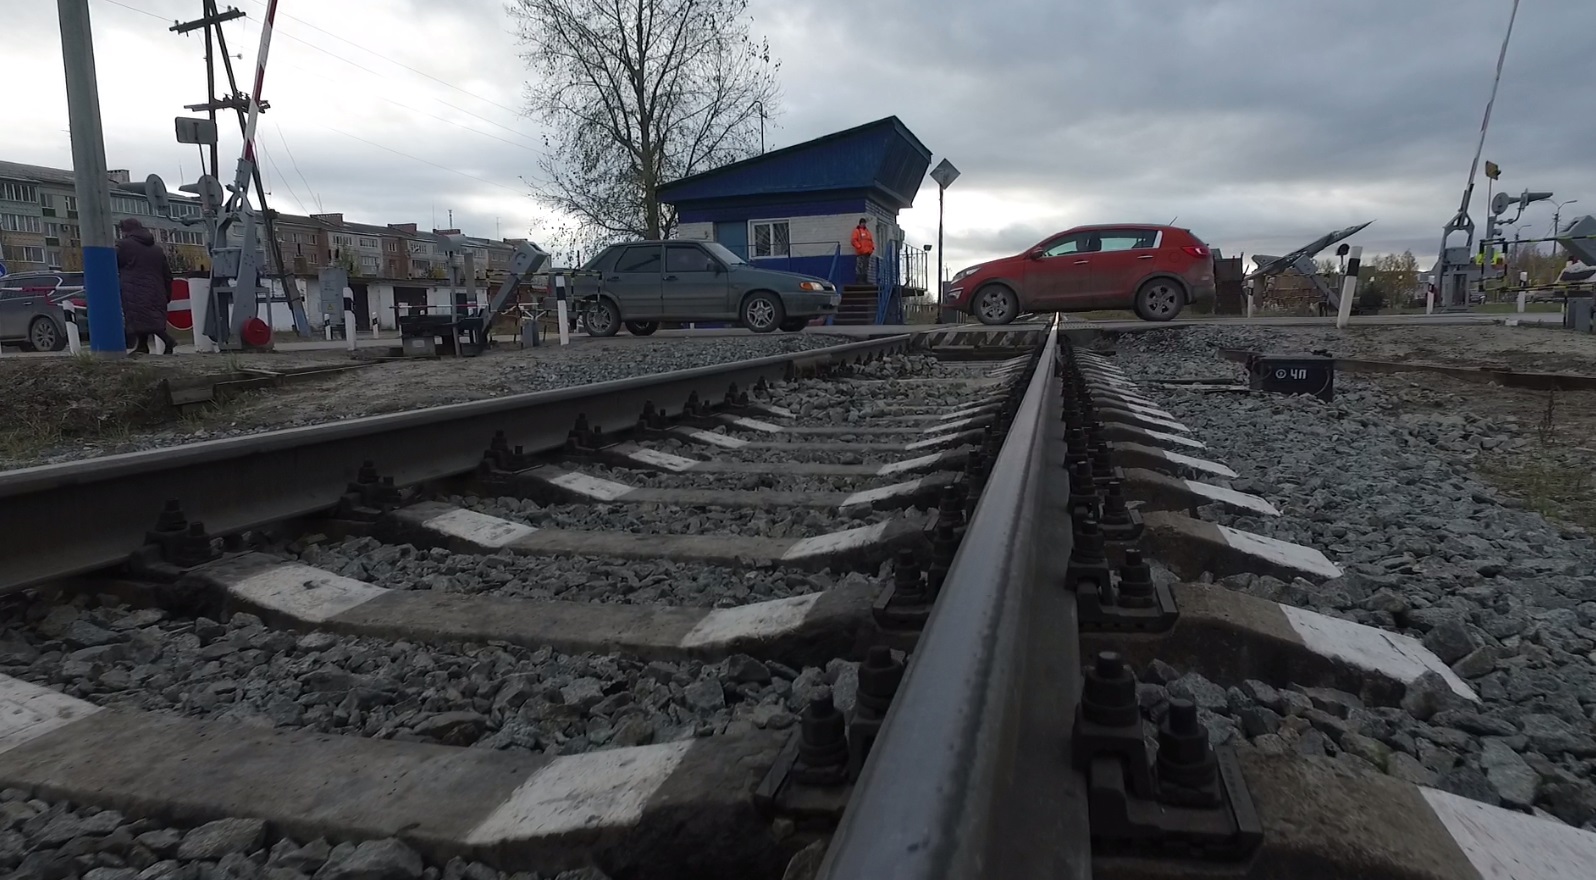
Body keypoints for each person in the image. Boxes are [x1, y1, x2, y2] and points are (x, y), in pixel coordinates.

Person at [115, 217, 175, 354]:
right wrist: (167, 292)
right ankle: (142, 346)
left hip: (134, 287)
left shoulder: (124, 245)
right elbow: (167, 274)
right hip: (156, 288)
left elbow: (114, 263)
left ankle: (168, 340)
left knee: (140, 316)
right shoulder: (157, 249)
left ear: (125, 230)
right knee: (146, 316)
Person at [851, 217, 875, 283]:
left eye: (864, 223)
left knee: (866, 267)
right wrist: (859, 247)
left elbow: (870, 241)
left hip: (867, 252)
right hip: (861, 252)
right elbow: (854, 240)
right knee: (860, 266)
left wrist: (872, 248)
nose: (863, 224)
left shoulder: (867, 231)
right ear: (860, 223)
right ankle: (859, 280)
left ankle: (865, 280)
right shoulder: (857, 231)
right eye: (862, 223)